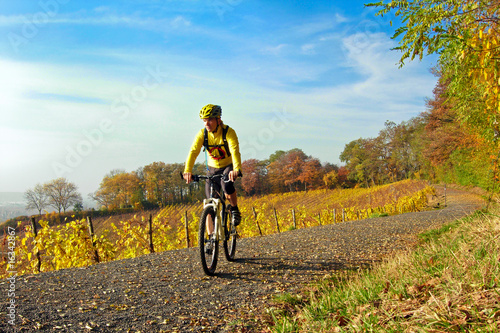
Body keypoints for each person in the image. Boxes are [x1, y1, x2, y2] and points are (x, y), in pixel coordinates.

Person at [183, 104, 242, 230]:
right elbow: (193, 152)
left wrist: (236, 169)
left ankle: (234, 209)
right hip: (212, 168)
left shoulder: (228, 132)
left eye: (209, 120)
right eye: (204, 120)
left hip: (227, 165)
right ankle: (210, 240)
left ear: (218, 119)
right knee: (209, 203)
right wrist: (187, 170)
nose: (206, 123)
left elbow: (235, 150)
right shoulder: (202, 134)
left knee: (227, 185)